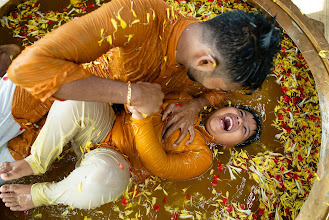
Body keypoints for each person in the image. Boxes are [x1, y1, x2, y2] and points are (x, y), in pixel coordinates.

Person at [7, 0, 281, 146]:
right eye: (224, 84)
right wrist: (131, 93)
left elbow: (217, 94)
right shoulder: (137, 15)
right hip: (24, 100)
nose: (222, 91)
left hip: (88, 125)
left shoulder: (202, 56)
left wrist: (197, 104)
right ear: (207, 62)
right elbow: (26, 69)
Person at [0, 92, 261, 211]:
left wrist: (141, 117)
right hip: (105, 128)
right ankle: (37, 160)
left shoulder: (202, 157)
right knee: (76, 97)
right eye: (239, 113)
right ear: (223, 110)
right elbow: (228, 88)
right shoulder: (190, 101)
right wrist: (199, 102)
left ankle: (42, 195)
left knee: (102, 178)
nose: (239, 120)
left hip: (118, 164)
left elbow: (158, 165)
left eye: (245, 129)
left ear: (230, 145)